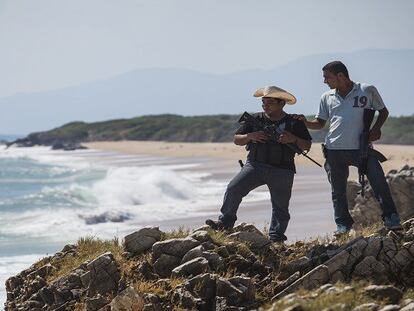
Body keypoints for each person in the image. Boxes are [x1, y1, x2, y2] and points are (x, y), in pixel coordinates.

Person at [294, 61, 401, 235]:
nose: (324, 81)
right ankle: (343, 225)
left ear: (340, 76)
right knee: (338, 191)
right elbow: (320, 124)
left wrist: (376, 128)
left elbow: (383, 111)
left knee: (379, 183)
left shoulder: (367, 90)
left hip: (362, 148)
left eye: (327, 77)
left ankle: (392, 219)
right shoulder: (326, 97)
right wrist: (304, 122)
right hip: (334, 150)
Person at [205, 86, 312, 242]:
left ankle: (276, 238)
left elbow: (307, 145)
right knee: (234, 188)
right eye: (263, 102)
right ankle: (225, 223)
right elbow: (237, 139)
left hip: (282, 169)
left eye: (270, 102)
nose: (265, 106)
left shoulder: (294, 123)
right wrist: (250, 136)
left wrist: (293, 139)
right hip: (255, 166)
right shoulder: (255, 119)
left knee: (280, 207)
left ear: (281, 103)